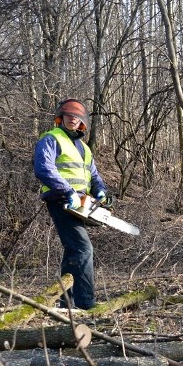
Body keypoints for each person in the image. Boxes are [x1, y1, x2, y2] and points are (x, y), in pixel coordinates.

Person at [34, 98, 111, 310]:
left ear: (82, 122)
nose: (73, 120)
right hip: (61, 199)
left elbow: (93, 176)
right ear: (62, 118)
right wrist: (67, 191)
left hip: (80, 203)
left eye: (77, 118)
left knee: (73, 250)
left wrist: (101, 191)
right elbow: (43, 169)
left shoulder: (84, 148)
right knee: (83, 248)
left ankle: (66, 302)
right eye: (69, 116)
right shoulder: (51, 139)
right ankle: (86, 304)